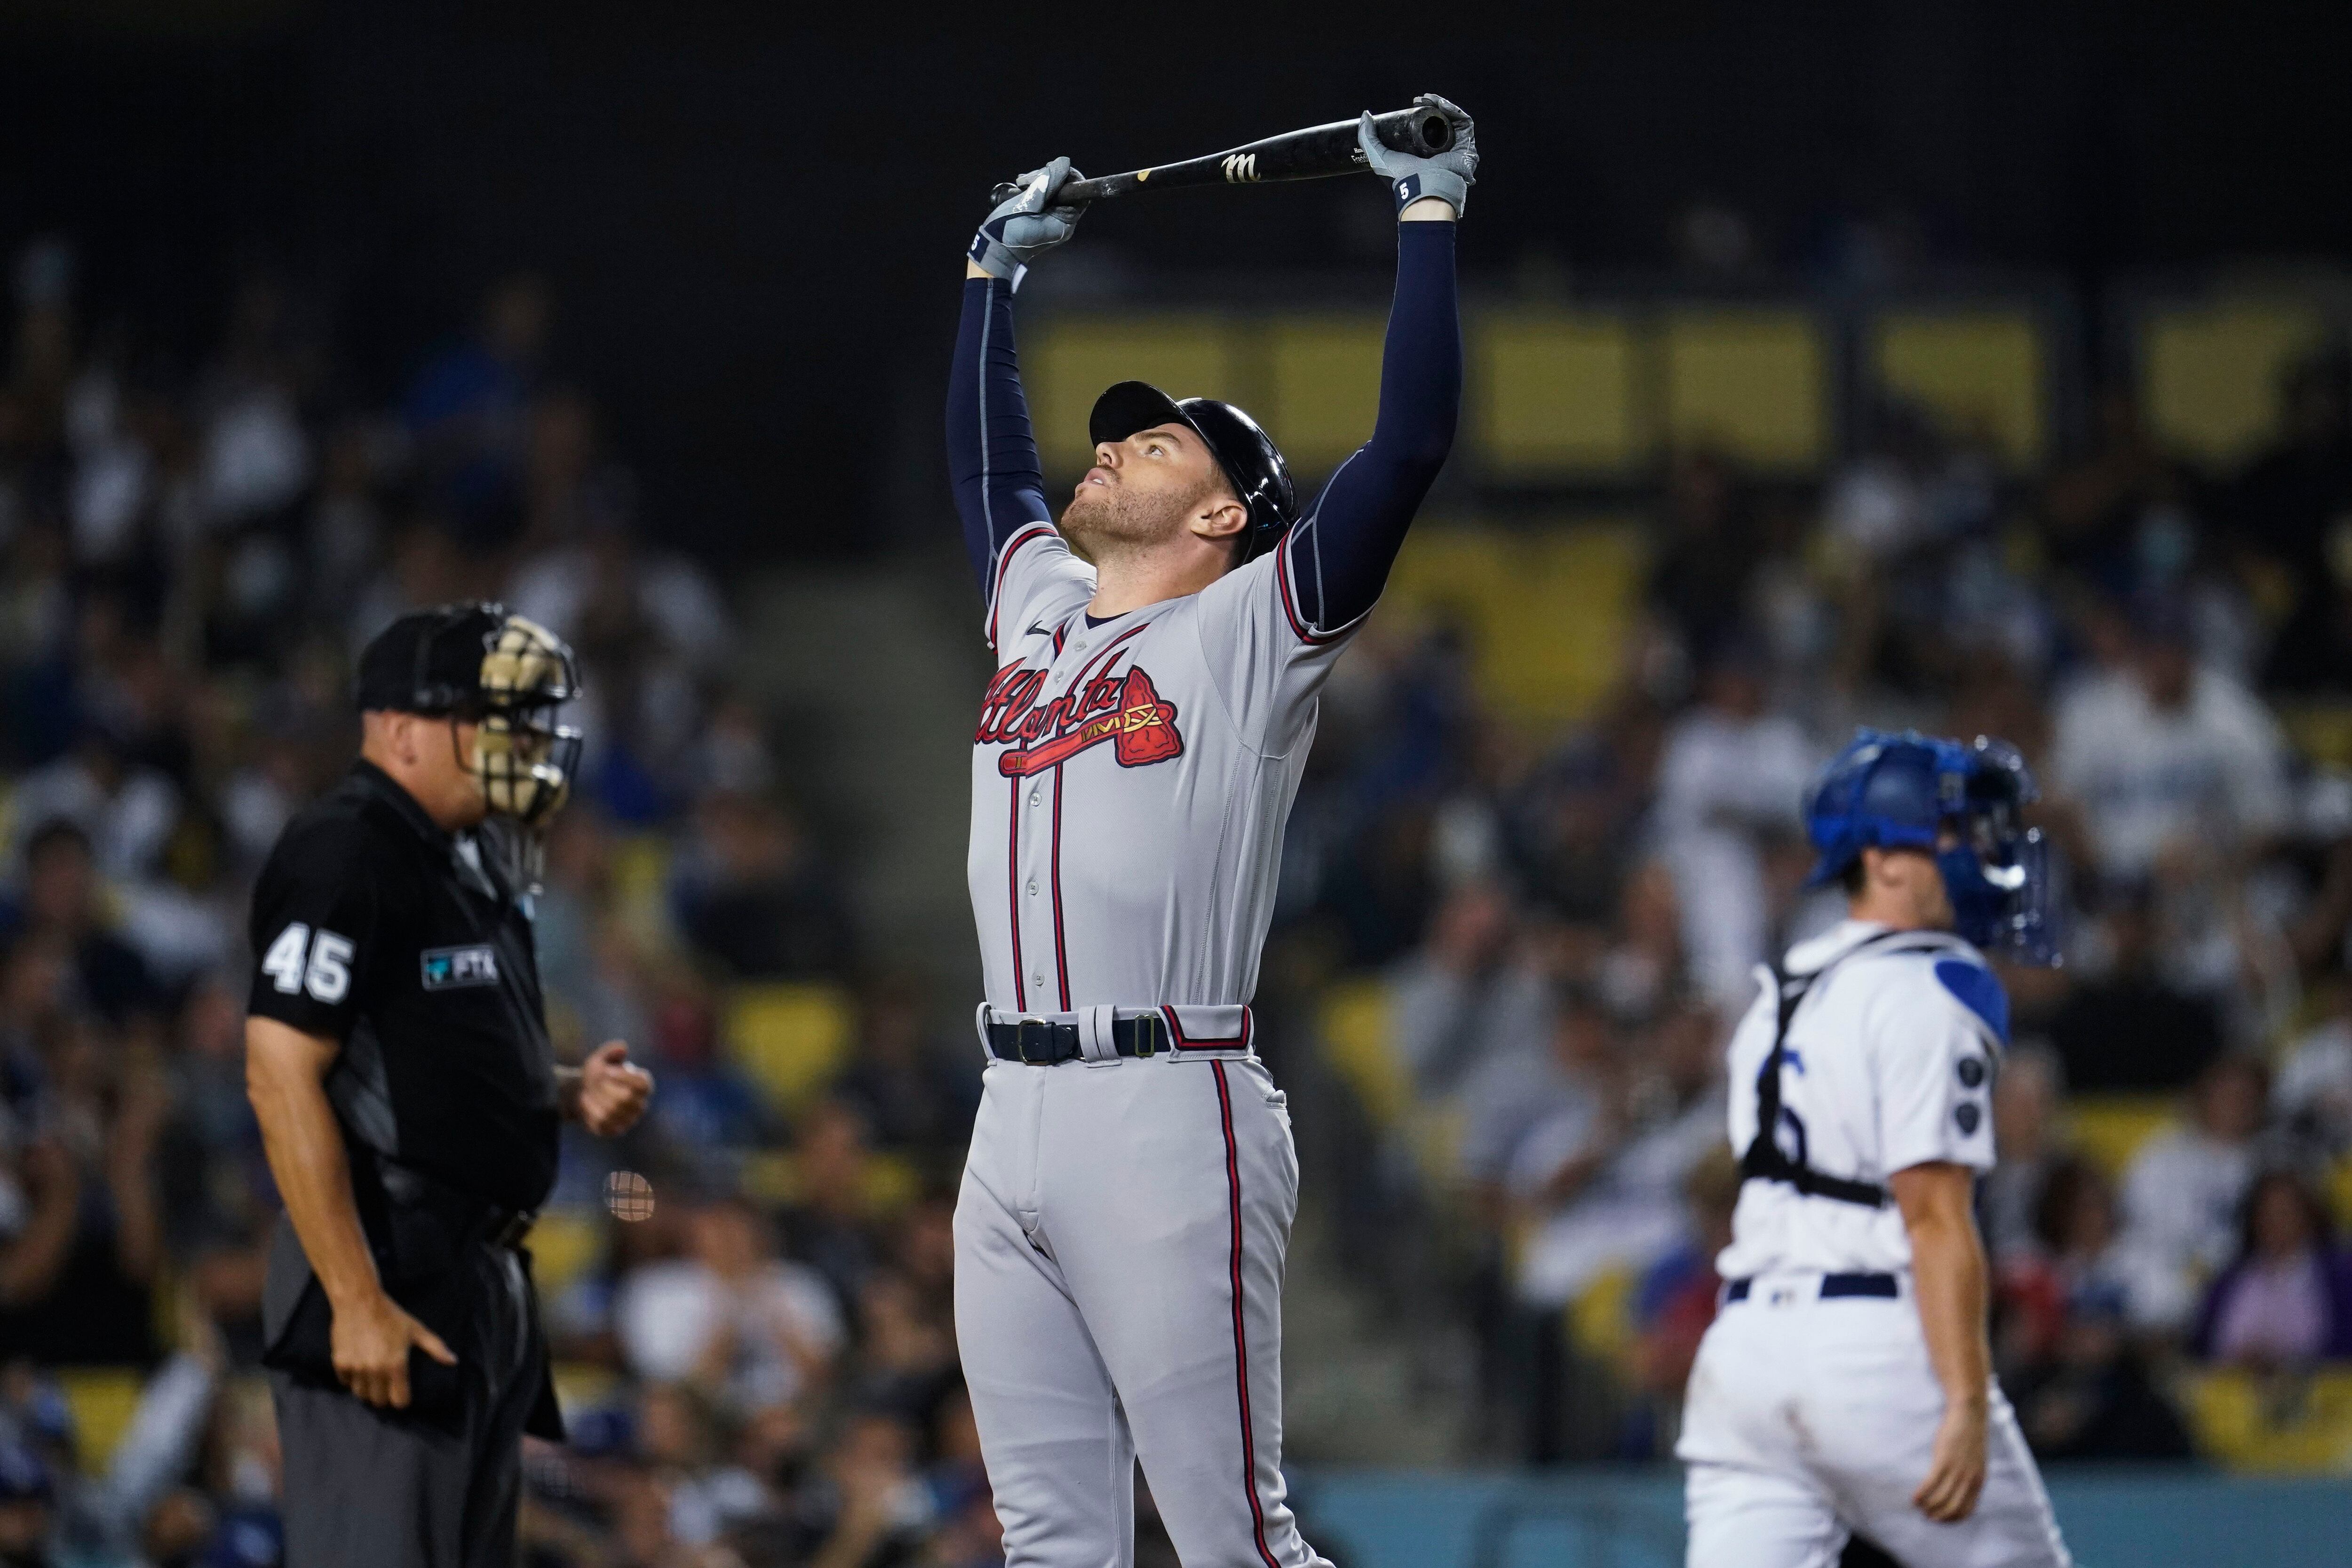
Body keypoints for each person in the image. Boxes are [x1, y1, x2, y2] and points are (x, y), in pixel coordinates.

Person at [942, 100, 1474, 1568]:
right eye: (1111, 431)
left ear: (1228, 509)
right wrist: (991, 283)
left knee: (1237, 1539)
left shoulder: (1254, 631)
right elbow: (992, 477)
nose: (1108, 446)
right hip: (1013, 1105)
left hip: (1172, 1101)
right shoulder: (1041, 610)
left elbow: (1411, 441)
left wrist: (1425, 220)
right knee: (1051, 1545)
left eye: (1153, 439)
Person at [242, 604, 655, 1568]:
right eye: (494, 718)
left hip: (475, 1271)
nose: (523, 743)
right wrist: (353, 1296)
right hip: (386, 1261)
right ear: (399, 727)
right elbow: (279, 1072)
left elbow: (421, 1061)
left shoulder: (464, 855)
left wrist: (560, 1089)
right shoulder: (345, 847)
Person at [1678, 729, 2072, 1567]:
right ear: (1884, 861)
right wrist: (1965, 1396)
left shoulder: (1781, 988)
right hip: (1874, 1349)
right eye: (1953, 832)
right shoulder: (1929, 986)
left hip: (1744, 1355)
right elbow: (1933, 1216)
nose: (1976, 850)